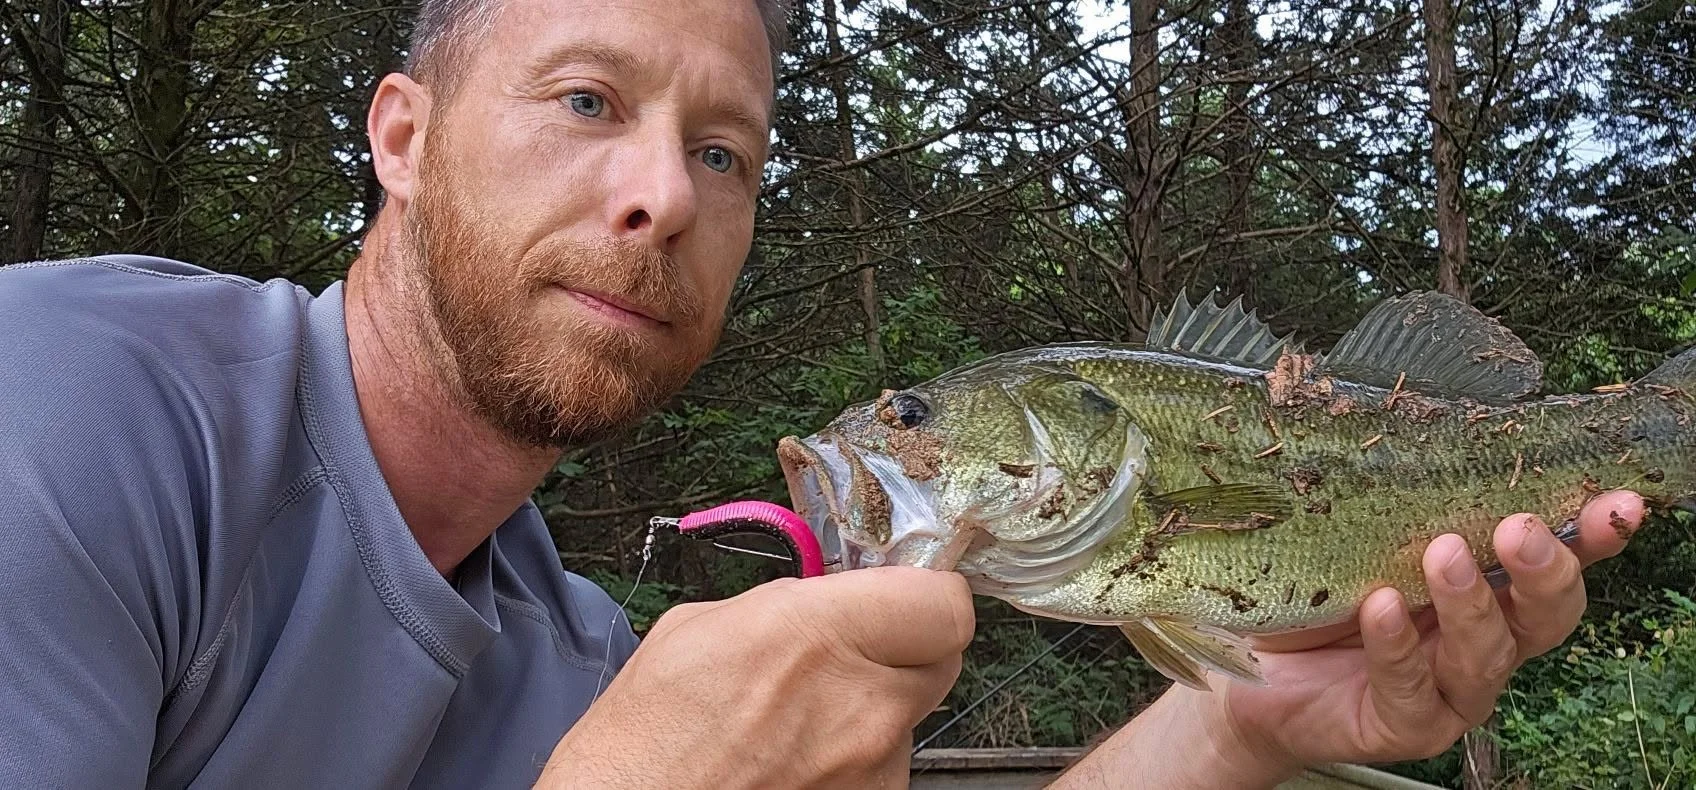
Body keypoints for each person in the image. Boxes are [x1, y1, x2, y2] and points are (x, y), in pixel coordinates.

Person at [0, 0, 1640, 786]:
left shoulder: (566, 650)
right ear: (404, 138)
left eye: (726, 151)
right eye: (587, 99)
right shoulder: (72, 412)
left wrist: (1243, 718)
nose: (663, 195)